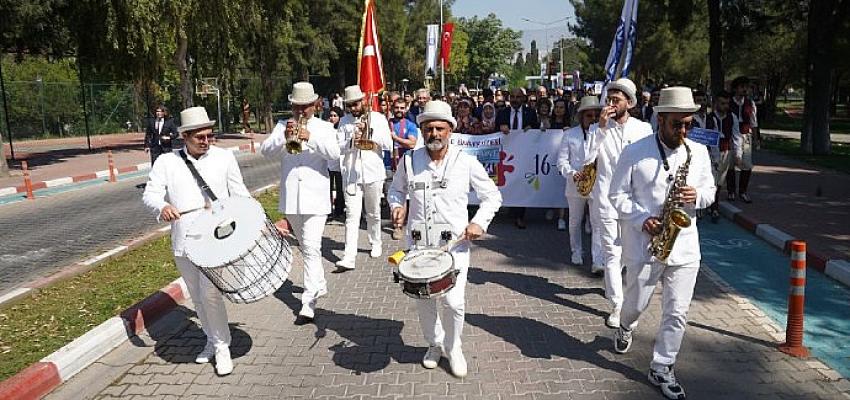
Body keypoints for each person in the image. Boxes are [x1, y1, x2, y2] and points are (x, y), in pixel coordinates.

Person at [608, 87, 715, 400]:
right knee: (635, 305)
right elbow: (617, 195)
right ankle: (625, 325)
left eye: (688, 125)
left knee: (677, 312)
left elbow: (710, 192)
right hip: (645, 244)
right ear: (661, 120)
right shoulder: (635, 151)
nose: (683, 131)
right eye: (676, 124)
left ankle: (662, 366)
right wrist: (642, 219)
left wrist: (698, 196)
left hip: (685, 246)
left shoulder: (698, 153)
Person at [388, 100, 502, 378]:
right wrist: (397, 206)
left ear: (450, 130)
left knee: (453, 302)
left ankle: (454, 347)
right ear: (422, 130)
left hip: (454, 246)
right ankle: (434, 344)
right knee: (424, 300)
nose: (434, 134)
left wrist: (479, 222)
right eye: (429, 128)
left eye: (440, 128)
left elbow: (492, 196)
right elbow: (395, 191)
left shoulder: (466, 162)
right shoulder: (409, 160)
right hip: (418, 247)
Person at [142, 106, 249, 376]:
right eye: (200, 137)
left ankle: (223, 347)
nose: (206, 141)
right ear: (185, 136)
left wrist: (254, 225)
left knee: (210, 294)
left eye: (210, 135)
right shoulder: (167, 162)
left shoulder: (224, 157)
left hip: (216, 240)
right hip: (183, 241)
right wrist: (163, 207)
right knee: (197, 297)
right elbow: (150, 194)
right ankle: (211, 340)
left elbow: (241, 195)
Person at [260, 82, 341, 324]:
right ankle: (319, 283)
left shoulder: (324, 127)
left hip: (316, 198)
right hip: (292, 198)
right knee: (306, 247)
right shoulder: (283, 126)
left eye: (305, 106)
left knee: (311, 247)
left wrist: (310, 138)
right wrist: (283, 138)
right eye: (296, 106)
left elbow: (334, 154)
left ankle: (308, 303)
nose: (300, 111)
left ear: (314, 105)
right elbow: (266, 151)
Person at [588, 78, 653, 328]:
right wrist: (601, 129)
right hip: (605, 199)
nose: (612, 104)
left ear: (630, 103)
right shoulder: (597, 128)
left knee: (630, 254)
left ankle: (620, 291)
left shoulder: (643, 129)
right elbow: (588, 160)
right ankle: (618, 305)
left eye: (617, 100)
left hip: (633, 202)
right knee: (611, 254)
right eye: (609, 99)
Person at [335, 85, 393, 271]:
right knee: (351, 216)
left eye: (356, 104)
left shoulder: (378, 118)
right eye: (350, 105)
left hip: (373, 172)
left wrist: (370, 132)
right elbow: (337, 147)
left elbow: (388, 144)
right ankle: (349, 256)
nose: (353, 108)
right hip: (351, 174)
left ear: (363, 101)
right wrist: (352, 140)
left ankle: (375, 242)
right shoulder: (344, 122)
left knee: (373, 212)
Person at [557, 96, 603, 270]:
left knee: (597, 223)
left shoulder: (603, 134)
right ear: (581, 116)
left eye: (595, 116)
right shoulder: (569, 135)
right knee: (575, 222)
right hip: (575, 185)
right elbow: (561, 161)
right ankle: (576, 251)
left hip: (597, 185)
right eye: (589, 115)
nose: (593, 119)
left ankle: (597, 260)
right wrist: (572, 173)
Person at [496, 87, 540, 229]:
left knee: (521, 183)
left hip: (524, 154)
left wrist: (531, 129)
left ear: (523, 98)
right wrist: (500, 127)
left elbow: (538, 132)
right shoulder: (502, 113)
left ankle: (520, 216)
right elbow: (494, 133)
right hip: (507, 155)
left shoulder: (531, 113)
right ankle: (510, 208)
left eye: (518, 97)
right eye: (513, 97)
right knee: (509, 182)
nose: (515, 100)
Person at [705, 91, 741, 222]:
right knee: (712, 180)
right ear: (715, 104)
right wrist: (713, 157)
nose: (725, 106)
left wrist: (738, 154)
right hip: (711, 153)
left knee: (720, 181)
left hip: (726, 152)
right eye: (722, 103)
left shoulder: (732, 117)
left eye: (727, 103)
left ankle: (712, 204)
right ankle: (713, 207)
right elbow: (710, 138)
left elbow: (736, 136)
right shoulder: (710, 118)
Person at [729, 76, 757, 203]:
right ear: (735, 88)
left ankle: (743, 191)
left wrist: (756, 139)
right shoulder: (728, 102)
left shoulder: (750, 103)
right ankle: (731, 191)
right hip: (731, 135)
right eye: (742, 87)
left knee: (746, 164)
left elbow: (754, 122)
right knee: (730, 164)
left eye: (746, 87)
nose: (744, 89)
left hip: (745, 135)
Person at [326, 106, 346, 220]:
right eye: (331, 116)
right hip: (328, 163)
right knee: (327, 188)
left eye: (335, 116)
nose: (332, 118)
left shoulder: (342, 129)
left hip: (339, 163)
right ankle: (328, 211)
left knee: (340, 188)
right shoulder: (327, 129)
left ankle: (339, 210)